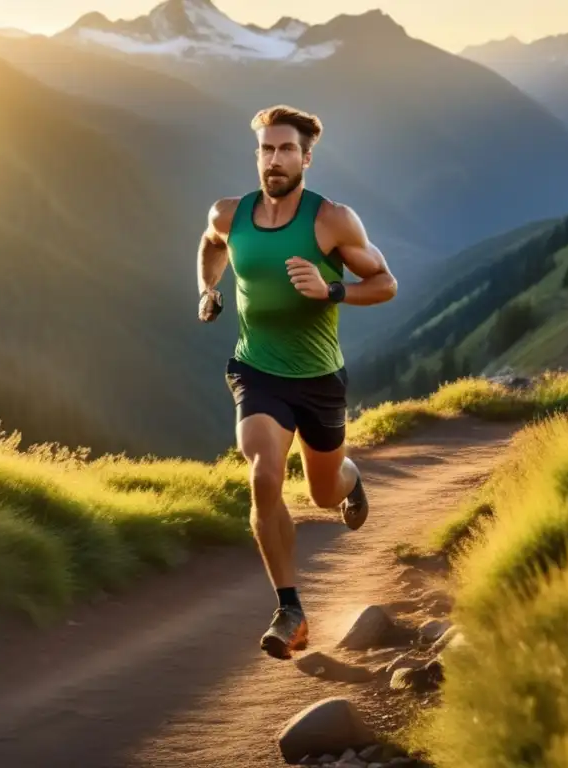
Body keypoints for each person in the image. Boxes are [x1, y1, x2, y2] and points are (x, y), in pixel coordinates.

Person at [196, 104, 398, 660]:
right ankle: (290, 609)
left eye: (287, 149)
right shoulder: (228, 214)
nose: (275, 159)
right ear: (256, 155)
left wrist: (331, 291)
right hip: (256, 372)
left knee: (321, 491)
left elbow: (384, 284)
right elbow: (212, 245)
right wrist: (208, 290)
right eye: (266, 149)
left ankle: (350, 480)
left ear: (306, 157)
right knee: (264, 474)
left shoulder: (332, 220)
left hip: (319, 380)